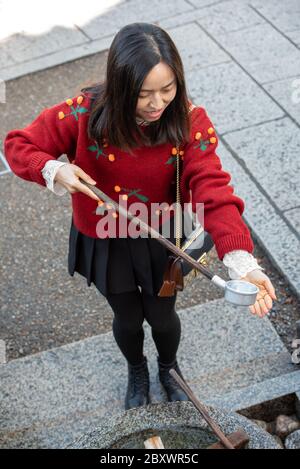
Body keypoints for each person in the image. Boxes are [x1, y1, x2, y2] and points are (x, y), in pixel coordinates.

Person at [4, 22, 277, 411]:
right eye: (143, 93)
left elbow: (213, 188)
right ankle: (137, 369)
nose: (157, 104)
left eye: (168, 89)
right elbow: (19, 143)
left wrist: (240, 260)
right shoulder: (84, 112)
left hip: (166, 237)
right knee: (128, 318)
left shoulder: (190, 121)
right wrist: (52, 168)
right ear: (119, 85)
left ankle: (169, 369)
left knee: (162, 316)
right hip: (105, 237)